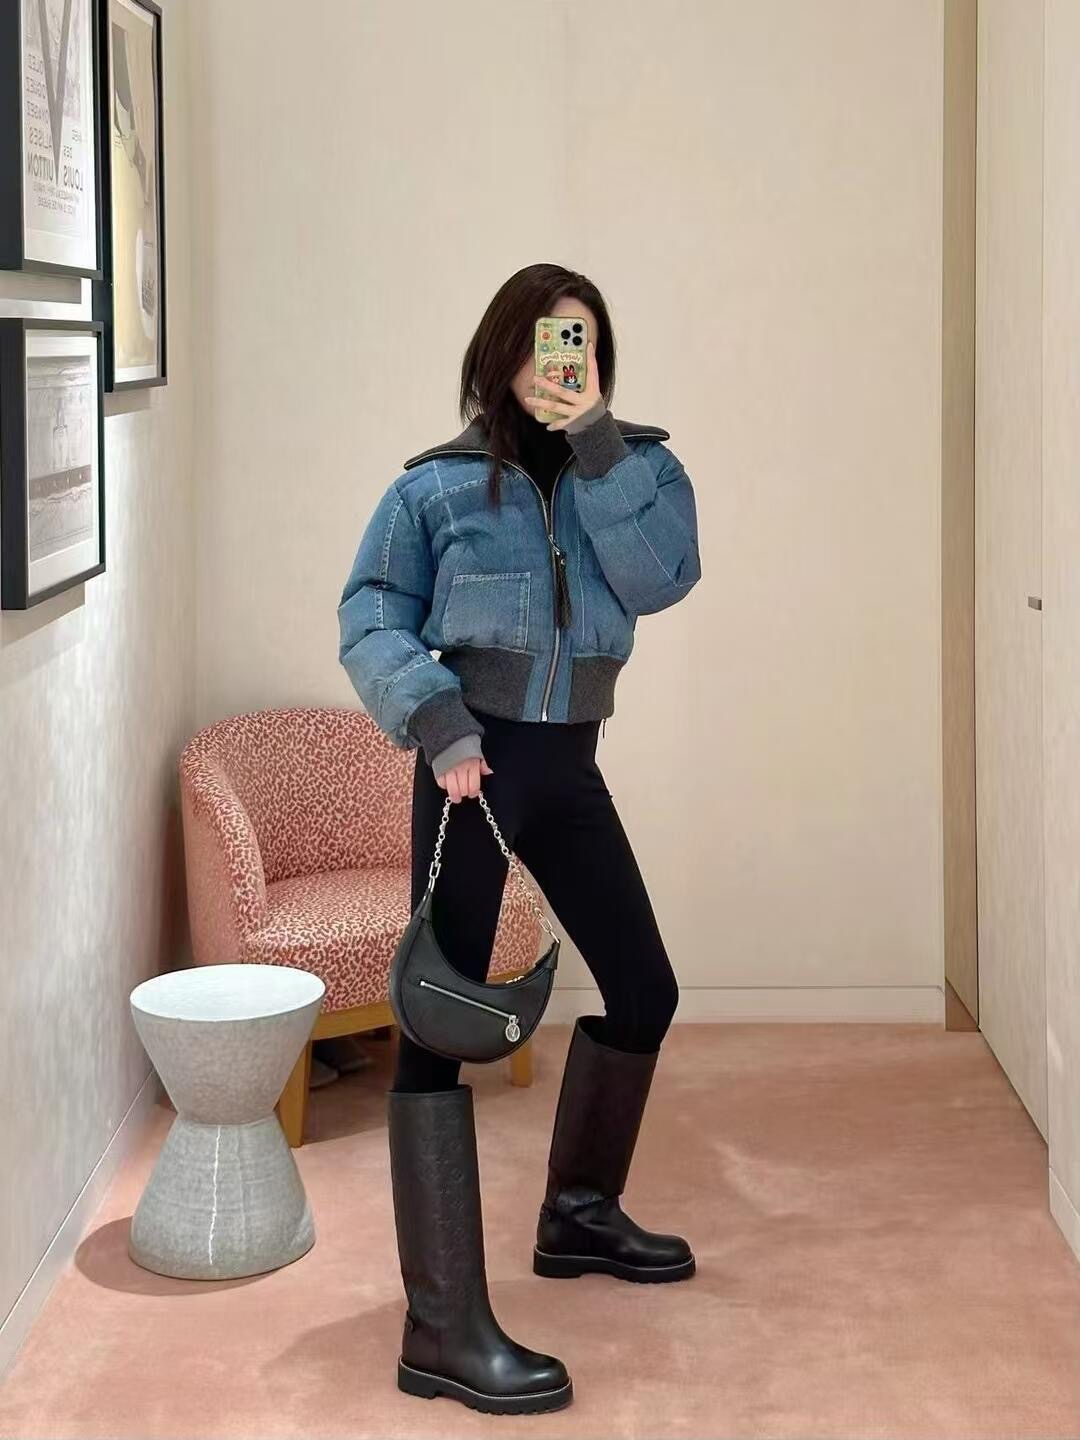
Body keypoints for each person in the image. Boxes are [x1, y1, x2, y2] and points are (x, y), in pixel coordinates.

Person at [337, 263, 701, 1415]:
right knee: (437, 1027)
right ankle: (440, 1328)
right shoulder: (433, 487)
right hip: (473, 772)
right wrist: (437, 721)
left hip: (571, 768)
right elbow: (371, 616)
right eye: (546, 339)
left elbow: (662, 580)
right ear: (503, 350)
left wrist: (594, 442)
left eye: (580, 341)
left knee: (643, 988)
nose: (561, 358)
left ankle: (579, 1215)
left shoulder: (640, 470)